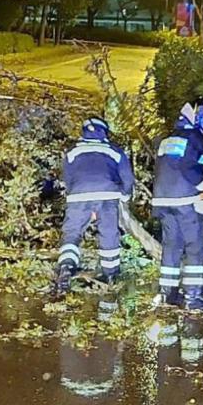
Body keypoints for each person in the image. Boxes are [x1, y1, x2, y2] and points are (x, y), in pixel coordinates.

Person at [152, 97, 203, 312]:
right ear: (199, 116)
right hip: (185, 201)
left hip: (162, 200)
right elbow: (188, 167)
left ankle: (168, 293)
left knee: (171, 246)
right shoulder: (194, 137)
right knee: (195, 248)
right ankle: (193, 298)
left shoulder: (168, 139)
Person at [56, 116, 135, 293]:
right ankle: (111, 275)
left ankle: (67, 267)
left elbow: (67, 177)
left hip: (78, 196)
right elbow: (128, 178)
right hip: (107, 195)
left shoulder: (72, 151)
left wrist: (75, 195)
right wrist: (125, 196)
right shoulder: (114, 151)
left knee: (72, 233)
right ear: (104, 132)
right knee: (108, 234)